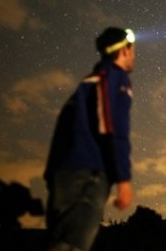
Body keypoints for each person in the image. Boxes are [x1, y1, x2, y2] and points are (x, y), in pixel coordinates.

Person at [44, 27, 136, 251]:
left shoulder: (89, 83)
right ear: (124, 51)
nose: (134, 54)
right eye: (131, 49)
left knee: (61, 242)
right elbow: (113, 126)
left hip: (64, 175)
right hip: (87, 176)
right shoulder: (114, 77)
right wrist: (124, 179)